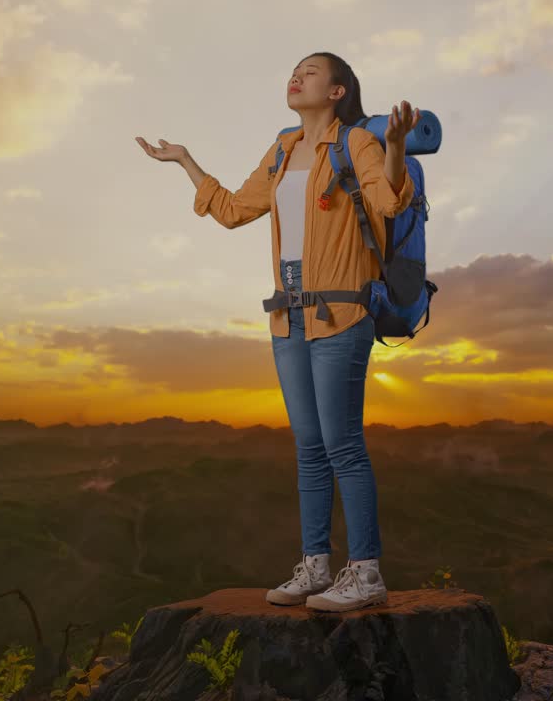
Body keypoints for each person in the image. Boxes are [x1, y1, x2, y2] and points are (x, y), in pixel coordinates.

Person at [135, 51, 420, 612]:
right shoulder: (284, 148)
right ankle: (316, 566)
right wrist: (186, 161)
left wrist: (394, 145)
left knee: (344, 446)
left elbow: (388, 201)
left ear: (338, 91)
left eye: (311, 71)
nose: (297, 76)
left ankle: (365, 573)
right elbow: (234, 210)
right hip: (287, 317)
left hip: (342, 314)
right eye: (294, 70)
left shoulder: (357, 143)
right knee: (309, 448)